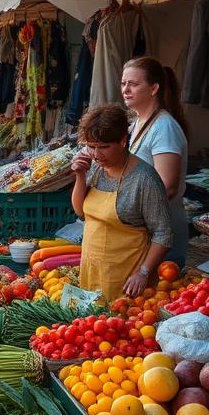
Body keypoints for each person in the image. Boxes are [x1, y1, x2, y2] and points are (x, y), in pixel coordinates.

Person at [72, 105, 173, 303]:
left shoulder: (144, 178)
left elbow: (164, 233)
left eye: (104, 147)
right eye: (91, 146)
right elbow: (79, 211)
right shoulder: (95, 168)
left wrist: (143, 273)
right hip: (92, 271)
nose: (97, 154)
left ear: (122, 141)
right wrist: (79, 176)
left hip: (127, 280)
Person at [121, 56, 190, 269]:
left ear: (153, 89)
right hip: (141, 231)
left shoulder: (164, 127)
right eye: (123, 83)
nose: (126, 89)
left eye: (133, 84)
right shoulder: (136, 123)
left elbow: (167, 186)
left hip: (161, 234)